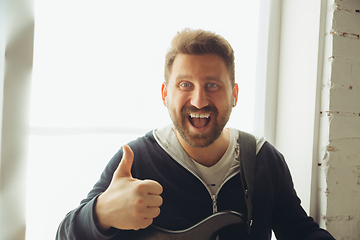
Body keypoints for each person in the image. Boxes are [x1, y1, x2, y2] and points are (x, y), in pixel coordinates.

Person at [56, 28, 335, 240]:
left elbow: (301, 232)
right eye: (185, 84)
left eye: (212, 85)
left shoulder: (265, 160)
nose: (199, 100)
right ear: (166, 94)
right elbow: (64, 234)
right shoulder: (135, 160)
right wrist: (101, 213)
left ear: (234, 94)